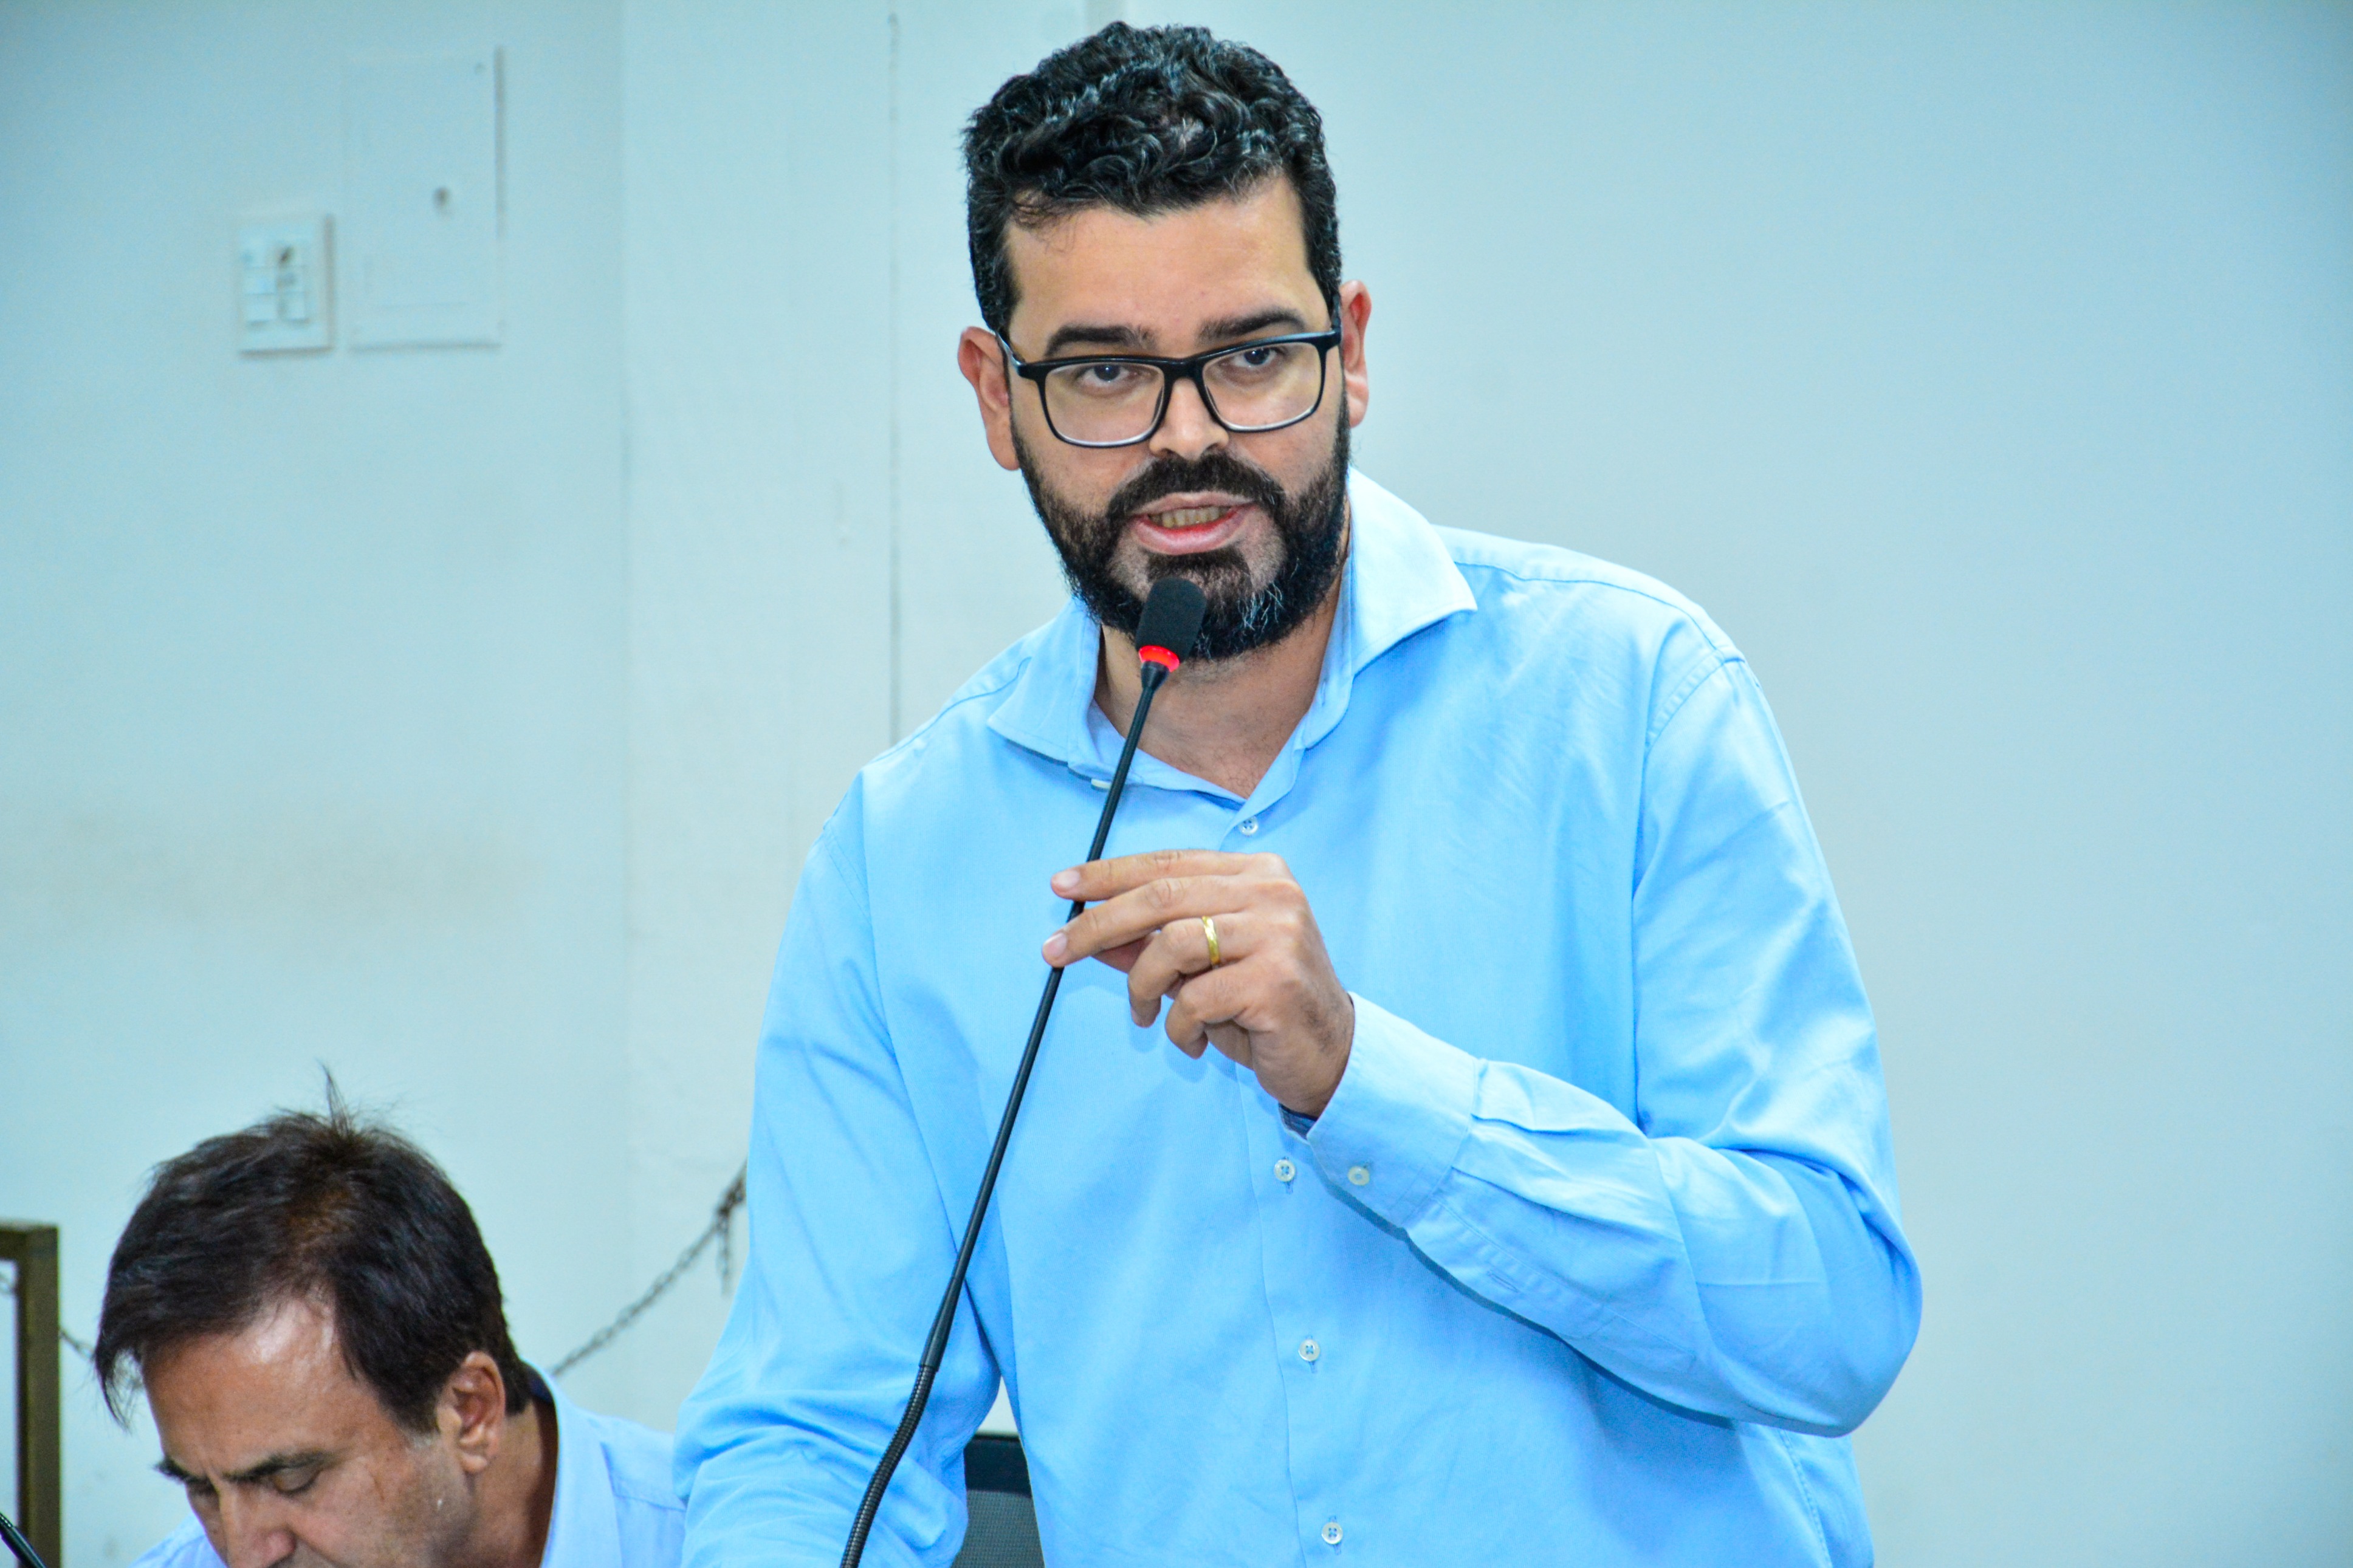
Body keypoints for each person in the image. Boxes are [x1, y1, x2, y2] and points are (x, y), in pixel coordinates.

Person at [676, 22, 1920, 1566]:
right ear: (997, 398)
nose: (1190, 435)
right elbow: (810, 1436)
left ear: (1354, 351)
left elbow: (1831, 1315)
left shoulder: (1632, 700)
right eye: (1106, 372)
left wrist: (1364, 1078)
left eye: (1253, 355)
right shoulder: (905, 856)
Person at [96, 1097, 685, 1568]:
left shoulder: (706, 1538)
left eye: (292, 1479)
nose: (245, 1553)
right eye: (203, 1489)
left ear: (470, 1412)